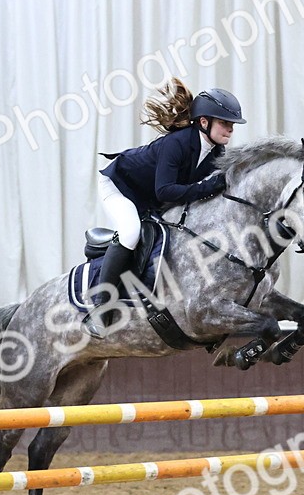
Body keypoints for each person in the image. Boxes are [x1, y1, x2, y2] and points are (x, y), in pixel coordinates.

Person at [85, 78, 246, 337]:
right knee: (129, 232)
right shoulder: (178, 143)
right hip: (120, 186)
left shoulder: (217, 152)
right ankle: (101, 307)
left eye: (232, 124)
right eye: (225, 123)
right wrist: (208, 187)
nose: (230, 130)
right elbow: (166, 190)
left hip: (149, 197)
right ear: (204, 122)